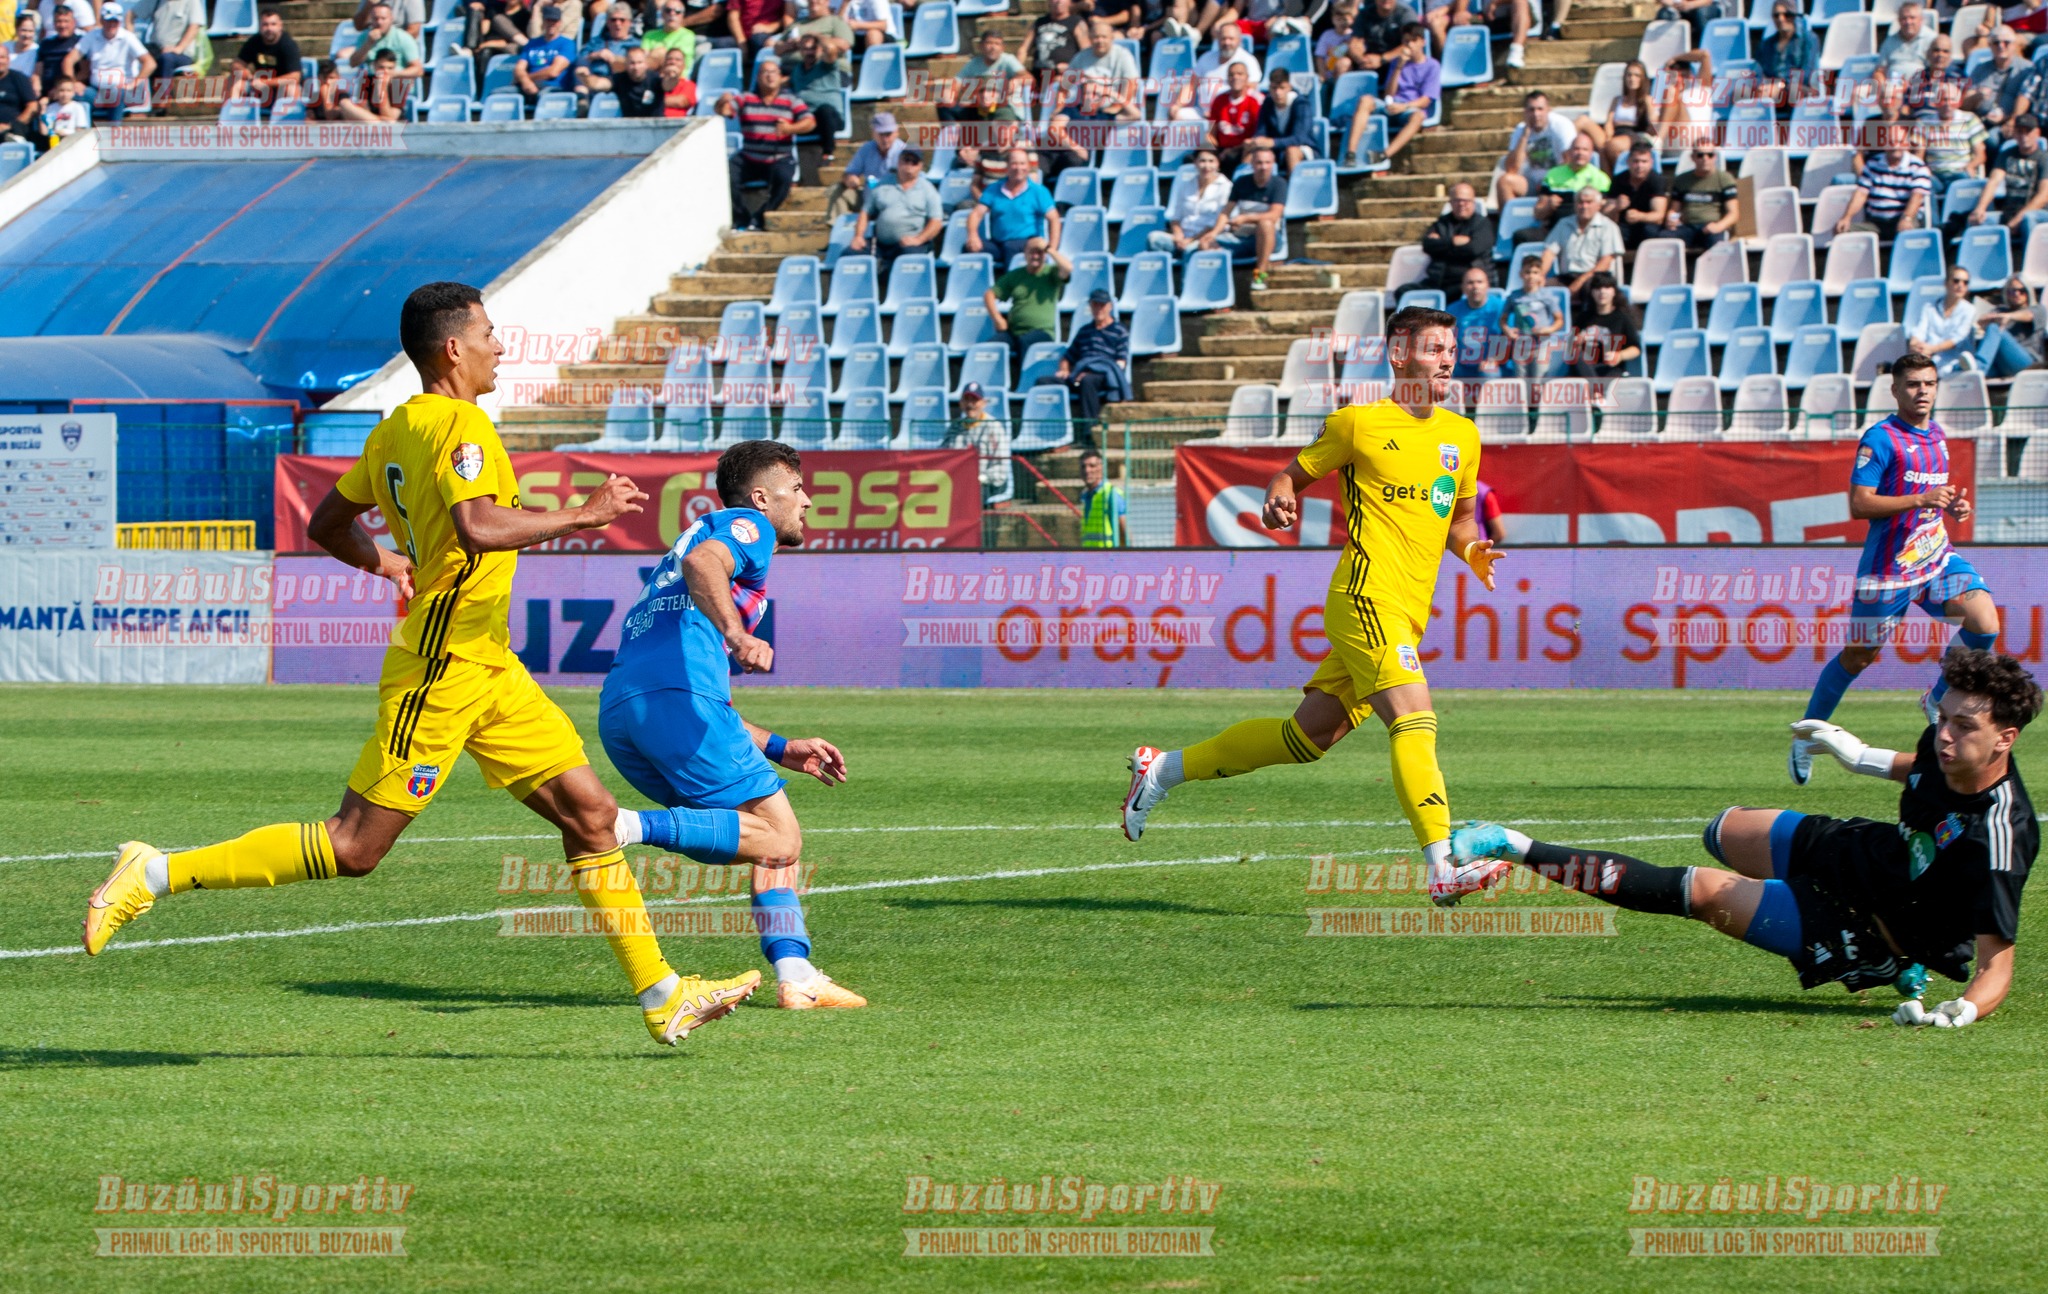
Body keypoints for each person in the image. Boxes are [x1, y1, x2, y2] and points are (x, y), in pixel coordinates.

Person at [81, 283, 757, 1046]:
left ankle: (662, 994)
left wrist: (387, 562)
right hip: (443, 662)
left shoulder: (399, 427)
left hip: (489, 664)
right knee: (355, 845)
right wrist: (584, 513)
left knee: (593, 816)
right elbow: (476, 526)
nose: (502, 345)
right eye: (491, 333)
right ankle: (156, 871)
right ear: (453, 348)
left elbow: (327, 521)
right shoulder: (460, 425)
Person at [1123, 306, 1504, 906]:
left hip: (1407, 609)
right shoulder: (1357, 424)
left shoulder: (1463, 435)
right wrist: (1278, 502)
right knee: (1414, 718)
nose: (1448, 358)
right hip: (1364, 595)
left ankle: (1163, 768)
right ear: (1400, 355)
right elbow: (1289, 478)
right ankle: (1443, 862)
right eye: (1434, 348)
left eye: (1451, 349)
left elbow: (1457, 521)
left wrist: (1474, 549)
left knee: (1308, 739)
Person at [1456, 650, 2039, 1026]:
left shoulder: (2000, 837)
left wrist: (1965, 1009)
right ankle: (1800, 912)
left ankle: (1515, 846)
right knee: (1726, 831)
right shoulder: (1946, 745)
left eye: (1964, 727)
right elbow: (1922, 766)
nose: (1945, 735)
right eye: (1943, 717)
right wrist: (1858, 756)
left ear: (2004, 740)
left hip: (1878, 921)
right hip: (1869, 855)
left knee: (1706, 893)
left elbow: (1998, 964)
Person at [599, 438, 865, 1013]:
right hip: (678, 701)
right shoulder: (749, 525)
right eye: (797, 489)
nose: (808, 501)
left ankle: (796, 976)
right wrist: (738, 634)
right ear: (763, 496)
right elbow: (706, 563)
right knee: (784, 837)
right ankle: (621, 826)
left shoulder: (685, 552)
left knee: (765, 834)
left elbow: (701, 699)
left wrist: (780, 747)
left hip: (626, 710)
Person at [1790, 354, 2001, 782]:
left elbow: (1931, 501)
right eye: (1912, 384)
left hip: (1936, 558)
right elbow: (1859, 503)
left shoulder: (1937, 436)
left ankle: (1937, 698)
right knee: (1858, 656)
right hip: (1889, 571)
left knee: (1984, 623)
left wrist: (1952, 507)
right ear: (1895, 390)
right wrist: (1920, 500)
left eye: (1928, 383)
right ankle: (1806, 733)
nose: (1921, 391)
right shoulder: (1881, 439)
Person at [719, 58, 813, 231]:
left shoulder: (791, 99)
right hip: (749, 157)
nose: (769, 76)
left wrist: (791, 128)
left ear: (780, 77)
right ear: (758, 77)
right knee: (724, 176)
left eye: (773, 72)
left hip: (779, 157)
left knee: (784, 178)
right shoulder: (746, 98)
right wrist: (721, 102)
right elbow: (724, 111)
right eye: (765, 72)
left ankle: (761, 216)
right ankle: (742, 217)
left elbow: (810, 122)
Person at [1044, 288, 1132, 447]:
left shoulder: (1120, 330)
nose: (1098, 309)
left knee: (1088, 381)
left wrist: (1091, 370)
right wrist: (1064, 369)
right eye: (1095, 305)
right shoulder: (1085, 331)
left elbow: (1120, 362)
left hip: (1104, 374)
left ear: (1109, 306)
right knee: (1044, 382)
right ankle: (1050, 436)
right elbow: (1068, 356)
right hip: (1079, 373)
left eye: (1102, 305)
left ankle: (1089, 433)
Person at [1348, 20, 1434, 171]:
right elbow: (1389, 93)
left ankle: (1384, 155)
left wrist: (1404, 106)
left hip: (1408, 108)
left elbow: (1425, 100)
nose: (1410, 45)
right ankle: (1351, 153)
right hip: (1391, 104)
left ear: (1422, 42)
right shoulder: (1397, 62)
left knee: (1419, 117)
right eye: (1406, 41)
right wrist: (1399, 67)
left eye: (1414, 41)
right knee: (1365, 100)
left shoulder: (1432, 66)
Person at [850, 148, 942, 286]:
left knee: (910, 258)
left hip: (911, 244)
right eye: (906, 160)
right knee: (850, 254)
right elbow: (865, 213)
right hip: (880, 244)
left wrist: (919, 239)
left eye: (914, 162)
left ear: (921, 166)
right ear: (898, 162)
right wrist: (858, 236)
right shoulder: (883, 185)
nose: (909, 165)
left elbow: (936, 222)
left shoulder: (928, 190)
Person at [986, 235, 1070, 369]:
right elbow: (989, 294)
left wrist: (1048, 248)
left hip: (1042, 332)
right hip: (1014, 332)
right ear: (1025, 253)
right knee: (991, 347)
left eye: (1039, 252)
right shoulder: (1016, 275)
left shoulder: (1051, 273)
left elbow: (1068, 268)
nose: (1035, 256)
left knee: (1026, 341)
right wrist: (997, 318)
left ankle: (1024, 384)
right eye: (1032, 252)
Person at [967, 147, 1059, 269]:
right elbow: (976, 214)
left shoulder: (1039, 192)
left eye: (1022, 164)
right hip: (999, 243)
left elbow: (1054, 219)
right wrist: (973, 236)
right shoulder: (993, 189)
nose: (1018, 168)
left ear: (1028, 167)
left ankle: (1010, 286)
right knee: (970, 248)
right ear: (1007, 167)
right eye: (1014, 163)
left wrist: (1051, 248)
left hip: (1028, 243)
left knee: (1011, 247)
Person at [1835, 132, 1934, 242]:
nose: (1895, 146)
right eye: (1891, 142)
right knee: (1842, 229)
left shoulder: (1918, 166)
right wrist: (1846, 217)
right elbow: (1861, 193)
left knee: (1907, 230)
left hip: (1903, 219)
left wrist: (1907, 218)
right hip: (1876, 222)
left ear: (1907, 145)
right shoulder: (1873, 163)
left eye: (1899, 142)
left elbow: (1917, 197)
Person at [1493, 91, 1578, 210]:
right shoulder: (1520, 130)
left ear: (1548, 110)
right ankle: (1509, 223)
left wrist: (1548, 182)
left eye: (1540, 109)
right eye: (1531, 110)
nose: (1536, 114)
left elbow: (1569, 161)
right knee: (1504, 182)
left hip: (1556, 182)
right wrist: (1524, 137)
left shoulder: (1561, 125)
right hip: (1531, 183)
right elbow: (1511, 169)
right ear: (1525, 112)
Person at [1219, 144, 1287, 289]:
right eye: (1259, 162)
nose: (1263, 167)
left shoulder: (1279, 184)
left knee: (1266, 224)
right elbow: (1226, 212)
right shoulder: (1241, 182)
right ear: (1252, 164)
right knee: (1205, 244)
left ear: (1273, 164)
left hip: (1270, 239)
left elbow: (1274, 215)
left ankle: (1260, 275)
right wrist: (1212, 233)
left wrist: (1245, 218)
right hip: (1242, 238)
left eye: (1268, 163)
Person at [1541, 185, 1623, 300]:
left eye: (1589, 202)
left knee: (1589, 289)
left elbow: (1605, 262)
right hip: (1567, 276)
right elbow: (1549, 253)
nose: (1584, 206)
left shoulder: (1609, 227)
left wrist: (1580, 282)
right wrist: (1539, 276)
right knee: (1539, 289)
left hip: (1596, 278)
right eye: (1580, 202)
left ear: (1599, 205)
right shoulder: (1563, 224)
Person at [1149, 145, 1233, 257]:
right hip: (1183, 237)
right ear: (1195, 163)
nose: (1206, 166)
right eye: (1202, 161)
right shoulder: (1185, 185)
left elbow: (1217, 222)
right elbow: (1175, 216)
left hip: (1205, 238)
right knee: (1154, 238)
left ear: (1218, 164)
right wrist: (1178, 236)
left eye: (1211, 161)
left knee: (1191, 250)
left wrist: (1191, 240)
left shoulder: (1225, 187)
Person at [76, 2, 151, 119]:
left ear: (120, 22)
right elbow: (69, 60)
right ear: (101, 20)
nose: (112, 24)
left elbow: (149, 63)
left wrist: (134, 84)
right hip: (97, 90)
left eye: (115, 21)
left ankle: (113, 132)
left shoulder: (128, 37)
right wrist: (72, 82)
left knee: (116, 95)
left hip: (121, 90)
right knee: (73, 94)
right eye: (108, 20)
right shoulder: (91, 36)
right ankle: (80, 132)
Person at [1577, 58, 1656, 167]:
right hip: (1615, 133)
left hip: (1634, 135)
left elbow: (1653, 124)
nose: (1632, 79)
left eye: (1637, 76)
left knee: (1611, 146)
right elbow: (1609, 122)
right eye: (1629, 75)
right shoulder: (1617, 100)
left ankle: (1615, 178)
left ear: (1643, 79)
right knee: (1582, 121)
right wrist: (1608, 136)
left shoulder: (1647, 100)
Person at [1064, 16, 1143, 123]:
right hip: (1083, 109)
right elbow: (1065, 83)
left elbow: (1131, 84)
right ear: (1090, 38)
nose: (1100, 41)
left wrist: (1117, 106)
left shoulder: (1123, 56)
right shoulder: (1080, 57)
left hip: (1112, 109)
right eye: (1096, 37)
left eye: (1104, 37)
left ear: (1111, 38)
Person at [782, 32, 847, 161]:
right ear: (800, 51)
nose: (809, 52)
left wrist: (815, 34)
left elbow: (831, 49)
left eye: (813, 48)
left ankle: (828, 153)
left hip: (830, 119)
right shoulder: (797, 70)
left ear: (819, 49)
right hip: (805, 120)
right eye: (805, 49)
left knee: (825, 111)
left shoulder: (827, 65)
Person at [1663, 140, 1739, 250]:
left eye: (1710, 155)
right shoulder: (1681, 180)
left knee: (1717, 246)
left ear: (1715, 157)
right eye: (1700, 155)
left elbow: (1734, 213)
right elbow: (1675, 209)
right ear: (1692, 157)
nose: (1705, 159)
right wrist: (1671, 219)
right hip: (1687, 227)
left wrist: (1719, 226)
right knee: (1663, 239)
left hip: (1711, 226)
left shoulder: (1725, 179)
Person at [1907, 267, 1985, 375]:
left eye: (1965, 282)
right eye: (1956, 281)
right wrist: (1915, 344)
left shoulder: (1969, 310)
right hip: (1930, 356)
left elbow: (1958, 338)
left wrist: (1932, 349)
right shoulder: (1929, 307)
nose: (1960, 285)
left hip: (1956, 360)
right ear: (1946, 283)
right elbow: (1920, 329)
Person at [1419, 181, 1494, 292]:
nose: (1461, 204)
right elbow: (1428, 245)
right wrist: (1453, 241)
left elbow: (1474, 249)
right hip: (1439, 280)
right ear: (1450, 202)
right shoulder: (1442, 222)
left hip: (1468, 283)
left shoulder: (1482, 224)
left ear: (1473, 202)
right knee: (1404, 291)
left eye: (1466, 200)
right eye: (1457, 200)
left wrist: (1442, 245)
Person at [942, 28, 1027, 123]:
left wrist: (1016, 80)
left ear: (1002, 48)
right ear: (981, 46)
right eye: (989, 43)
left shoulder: (1008, 60)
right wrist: (950, 92)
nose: (993, 47)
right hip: (980, 107)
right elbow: (957, 82)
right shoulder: (974, 63)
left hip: (1003, 107)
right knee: (945, 105)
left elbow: (1027, 77)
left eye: (997, 44)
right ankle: (951, 132)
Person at [1500, 253, 1562, 380]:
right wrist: (1508, 330)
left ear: (1540, 275)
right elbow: (1503, 320)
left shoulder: (1547, 296)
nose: (1531, 276)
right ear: (1521, 274)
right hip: (1521, 345)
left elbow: (1559, 320)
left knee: (1538, 380)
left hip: (1541, 345)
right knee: (1520, 381)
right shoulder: (1514, 296)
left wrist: (1548, 330)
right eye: (1527, 272)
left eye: (1535, 272)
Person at [1567, 270, 1640, 379]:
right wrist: (1578, 340)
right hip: (1585, 368)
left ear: (1614, 292)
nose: (1602, 292)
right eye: (1597, 288)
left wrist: (1619, 356)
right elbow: (1570, 347)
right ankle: (1596, 391)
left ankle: (1595, 392)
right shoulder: (1583, 317)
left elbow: (1636, 348)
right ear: (1592, 292)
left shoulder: (1622, 317)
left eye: (1607, 287)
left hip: (1610, 369)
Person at [1920, 82, 1988, 194]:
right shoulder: (1924, 123)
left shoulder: (1969, 119)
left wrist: (1970, 166)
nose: (1947, 104)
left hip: (1960, 172)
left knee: (1964, 182)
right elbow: (1919, 155)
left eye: (1951, 99)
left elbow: (1980, 155)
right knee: (1922, 186)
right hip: (1935, 174)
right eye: (1943, 99)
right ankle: (1933, 212)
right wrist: (1925, 171)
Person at [1966, 25, 2035, 135]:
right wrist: (1976, 96)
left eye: (2006, 42)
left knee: (1992, 139)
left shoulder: (2026, 69)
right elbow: (1964, 104)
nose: (2001, 46)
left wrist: (2009, 119)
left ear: (2014, 45)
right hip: (1979, 121)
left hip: (2010, 124)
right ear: (1989, 46)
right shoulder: (1980, 68)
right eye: (1996, 42)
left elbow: (2027, 100)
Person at [228, 8, 304, 105]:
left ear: (280, 26)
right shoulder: (254, 41)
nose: (269, 29)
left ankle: (291, 119)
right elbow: (236, 64)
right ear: (260, 26)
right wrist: (246, 73)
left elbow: (295, 77)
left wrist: (266, 82)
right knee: (236, 81)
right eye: (265, 24)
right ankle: (232, 116)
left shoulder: (288, 45)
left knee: (292, 88)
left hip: (280, 87)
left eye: (273, 24)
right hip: (257, 86)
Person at [1606, 137, 1669, 250]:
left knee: (1650, 231)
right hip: (1624, 225)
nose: (1640, 166)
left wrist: (1640, 216)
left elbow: (1659, 216)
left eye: (1644, 161)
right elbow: (1605, 214)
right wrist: (1616, 207)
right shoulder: (1618, 180)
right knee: (1611, 231)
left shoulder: (1657, 181)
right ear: (1628, 162)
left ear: (1651, 163)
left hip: (1647, 225)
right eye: (1636, 161)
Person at [953, 383, 1012, 503]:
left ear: (983, 403)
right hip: (959, 481)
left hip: (988, 483)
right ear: (961, 403)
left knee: (969, 495)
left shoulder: (994, 427)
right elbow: (943, 454)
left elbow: (1001, 467)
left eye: (974, 400)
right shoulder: (954, 427)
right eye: (967, 400)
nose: (970, 405)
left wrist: (979, 478)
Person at [1249, 66, 1314, 174]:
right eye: (1274, 88)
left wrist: (1272, 142)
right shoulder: (1268, 103)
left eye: (1282, 88)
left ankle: (1294, 189)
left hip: (1302, 149)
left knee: (1291, 151)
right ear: (1270, 88)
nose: (1278, 92)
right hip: (1277, 149)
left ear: (1289, 87)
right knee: (1252, 150)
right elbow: (1261, 130)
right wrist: (1256, 141)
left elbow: (1300, 138)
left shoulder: (1301, 104)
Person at [1753, 3, 1819, 109]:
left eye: (1786, 14)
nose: (1781, 19)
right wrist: (1763, 87)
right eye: (1776, 15)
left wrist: (1781, 86)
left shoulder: (1808, 39)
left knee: (1794, 92)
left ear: (1793, 16)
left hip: (1797, 88)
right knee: (1741, 92)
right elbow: (1758, 71)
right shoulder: (1765, 45)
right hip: (1772, 89)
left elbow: (1807, 73)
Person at [1978, 275, 2045, 376]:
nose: (2016, 294)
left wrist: (2008, 316)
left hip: (2028, 363)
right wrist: (1983, 322)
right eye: (2011, 291)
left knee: (1994, 328)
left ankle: (1978, 367)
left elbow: (2028, 315)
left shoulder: (2038, 309)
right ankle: (1965, 369)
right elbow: (1982, 323)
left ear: (2028, 292)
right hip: (2004, 364)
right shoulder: (2000, 310)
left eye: (2021, 291)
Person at [511, 4, 576, 106]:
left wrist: (526, 79)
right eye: (548, 20)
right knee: (498, 94)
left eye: (554, 21)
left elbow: (553, 72)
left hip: (552, 86)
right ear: (543, 21)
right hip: (527, 85)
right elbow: (519, 68)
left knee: (543, 96)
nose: (551, 24)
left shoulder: (567, 44)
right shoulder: (531, 44)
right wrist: (525, 82)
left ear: (560, 23)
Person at [1447, 264, 1503, 381]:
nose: (1475, 286)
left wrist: (1494, 359)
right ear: (1463, 287)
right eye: (1470, 283)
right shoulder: (1452, 310)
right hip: (1461, 365)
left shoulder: (1501, 308)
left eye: (1479, 282)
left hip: (1493, 363)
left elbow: (1510, 339)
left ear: (1488, 285)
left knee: (1490, 372)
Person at [1204, 57, 1261, 172]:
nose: (1235, 77)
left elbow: (1257, 135)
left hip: (1243, 149)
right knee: (1195, 158)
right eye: (1231, 74)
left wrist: (1234, 150)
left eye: (1240, 74)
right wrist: (1210, 151)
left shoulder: (1255, 101)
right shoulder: (1219, 100)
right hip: (1221, 148)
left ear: (1247, 78)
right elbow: (1211, 133)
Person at [349, 1, 421, 85]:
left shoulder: (403, 38)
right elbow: (353, 63)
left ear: (391, 19)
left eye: (383, 18)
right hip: (371, 82)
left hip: (396, 84)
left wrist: (395, 74)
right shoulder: (365, 37)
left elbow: (418, 70)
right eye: (376, 19)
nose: (379, 22)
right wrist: (368, 44)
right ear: (371, 20)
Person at [130, 0, 203, 78]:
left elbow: (195, 26)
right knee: (139, 56)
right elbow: (130, 15)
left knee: (166, 59)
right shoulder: (155, 1)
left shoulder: (192, 1)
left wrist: (179, 48)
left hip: (181, 54)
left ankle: (164, 90)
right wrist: (131, 40)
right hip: (157, 50)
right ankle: (131, 87)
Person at [1876, 0, 1935, 89]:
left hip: (1920, 88)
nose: (1908, 22)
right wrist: (1883, 86)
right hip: (1892, 90)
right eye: (1904, 18)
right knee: (1858, 93)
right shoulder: (1889, 41)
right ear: (1899, 21)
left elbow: (1935, 71)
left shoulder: (1932, 40)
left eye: (1912, 18)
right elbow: (1879, 71)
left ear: (1920, 20)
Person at [592, 42, 661, 113]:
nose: (636, 67)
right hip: (629, 123)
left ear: (646, 64)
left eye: (639, 62)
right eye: (632, 63)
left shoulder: (655, 79)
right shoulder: (619, 78)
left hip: (655, 123)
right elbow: (599, 84)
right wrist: (585, 77)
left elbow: (667, 85)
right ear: (626, 64)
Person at [1077, 448, 1128, 547]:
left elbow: (1124, 530)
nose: (1087, 470)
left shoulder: (1111, 495)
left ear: (1101, 468)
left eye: (1092, 466)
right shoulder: (1085, 496)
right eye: (1083, 466)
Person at [1027, 0, 1085, 78]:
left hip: (1066, 74)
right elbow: (1023, 49)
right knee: (1017, 83)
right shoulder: (1039, 22)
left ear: (1070, 2)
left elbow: (1086, 50)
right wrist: (1019, 70)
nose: (1058, 1)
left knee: (1058, 83)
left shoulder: (1076, 22)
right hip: (1039, 72)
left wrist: (1071, 66)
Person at [843, 110, 903, 185]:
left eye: (888, 134)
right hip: (871, 194)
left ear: (896, 133)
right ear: (873, 133)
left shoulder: (904, 151)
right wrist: (852, 179)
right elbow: (850, 172)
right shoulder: (866, 149)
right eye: (881, 134)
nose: (885, 139)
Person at [728, 0, 788, 67]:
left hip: (766, 36)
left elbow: (789, 15)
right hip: (742, 37)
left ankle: (760, 74)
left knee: (759, 39)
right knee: (718, 44)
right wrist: (741, 42)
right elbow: (733, 17)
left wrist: (771, 27)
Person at [640, 1, 698, 67]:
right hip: (650, 74)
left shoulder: (688, 35)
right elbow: (640, 59)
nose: (672, 14)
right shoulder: (649, 35)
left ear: (683, 15)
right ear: (662, 13)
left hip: (676, 75)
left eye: (677, 11)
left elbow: (673, 59)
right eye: (668, 10)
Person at [38, 73, 89, 142]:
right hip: (55, 140)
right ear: (55, 91)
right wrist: (43, 110)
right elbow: (44, 132)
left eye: (68, 91)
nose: (65, 94)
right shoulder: (51, 108)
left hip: (72, 140)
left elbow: (80, 130)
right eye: (61, 90)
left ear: (73, 92)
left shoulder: (78, 107)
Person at [0, 45, 34, 141]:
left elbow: (32, 106)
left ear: (8, 59)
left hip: (14, 130)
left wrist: (12, 125)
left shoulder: (19, 78)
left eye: (2, 57)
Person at [656, 45, 696, 115]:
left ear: (684, 66)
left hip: (677, 123)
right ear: (664, 64)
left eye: (678, 60)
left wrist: (655, 100)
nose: (673, 62)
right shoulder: (654, 82)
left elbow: (681, 102)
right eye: (669, 59)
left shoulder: (689, 84)